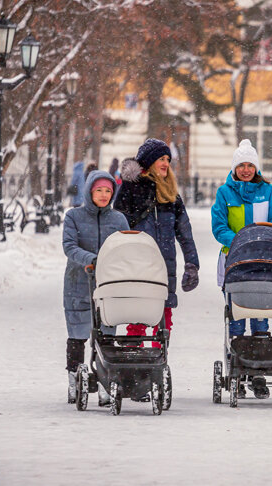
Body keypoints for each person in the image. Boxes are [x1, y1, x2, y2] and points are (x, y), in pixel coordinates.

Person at [210, 139, 272, 399]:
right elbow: (219, 225)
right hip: (234, 261)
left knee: (260, 313)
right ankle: (237, 371)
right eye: (241, 165)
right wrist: (238, 242)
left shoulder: (266, 191)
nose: (246, 170)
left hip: (263, 261)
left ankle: (258, 370)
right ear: (234, 168)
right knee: (236, 315)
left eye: (250, 165)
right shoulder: (225, 193)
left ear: (256, 167)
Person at [114, 138, 200, 348]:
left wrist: (192, 264)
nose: (165, 163)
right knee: (137, 314)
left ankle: (159, 362)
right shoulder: (130, 189)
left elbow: (185, 233)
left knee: (164, 320)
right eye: (161, 158)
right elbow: (116, 226)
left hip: (165, 266)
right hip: (138, 265)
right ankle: (132, 359)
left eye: (167, 159)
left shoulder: (171, 195)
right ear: (149, 161)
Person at [62, 170, 129, 404]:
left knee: (107, 334)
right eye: (99, 190)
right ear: (90, 191)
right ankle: (74, 380)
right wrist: (92, 259)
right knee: (78, 334)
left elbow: (125, 247)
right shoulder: (73, 217)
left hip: (109, 284)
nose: (103, 195)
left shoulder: (119, 220)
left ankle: (105, 381)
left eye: (108, 191)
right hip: (79, 282)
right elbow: (69, 246)